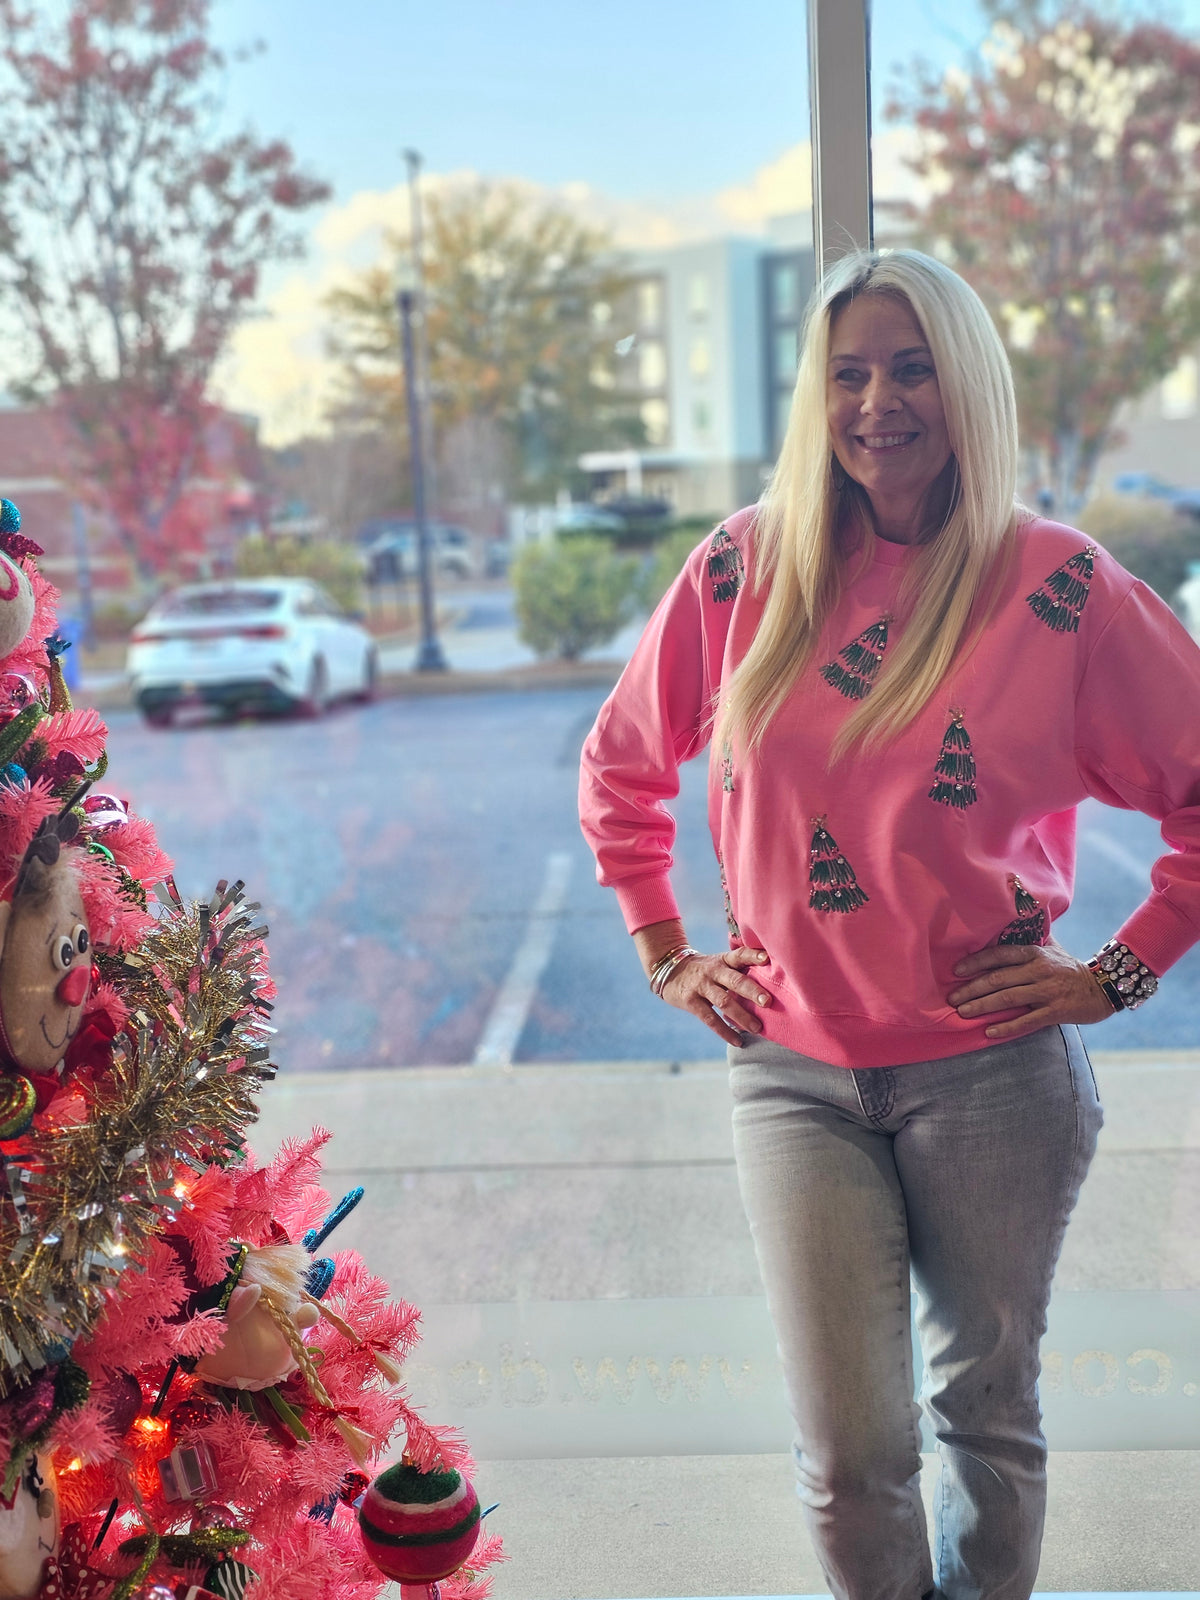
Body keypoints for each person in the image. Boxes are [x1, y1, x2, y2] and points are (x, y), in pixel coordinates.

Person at [578, 249, 1197, 1600]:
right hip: (793, 1073)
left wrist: (1117, 976)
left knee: (986, 1420)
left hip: (992, 1074)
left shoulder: (1063, 587)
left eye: (912, 368)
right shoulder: (746, 568)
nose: (879, 402)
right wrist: (663, 948)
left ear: (965, 383)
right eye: (849, 372)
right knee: (851, 1456)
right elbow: (622, 764)